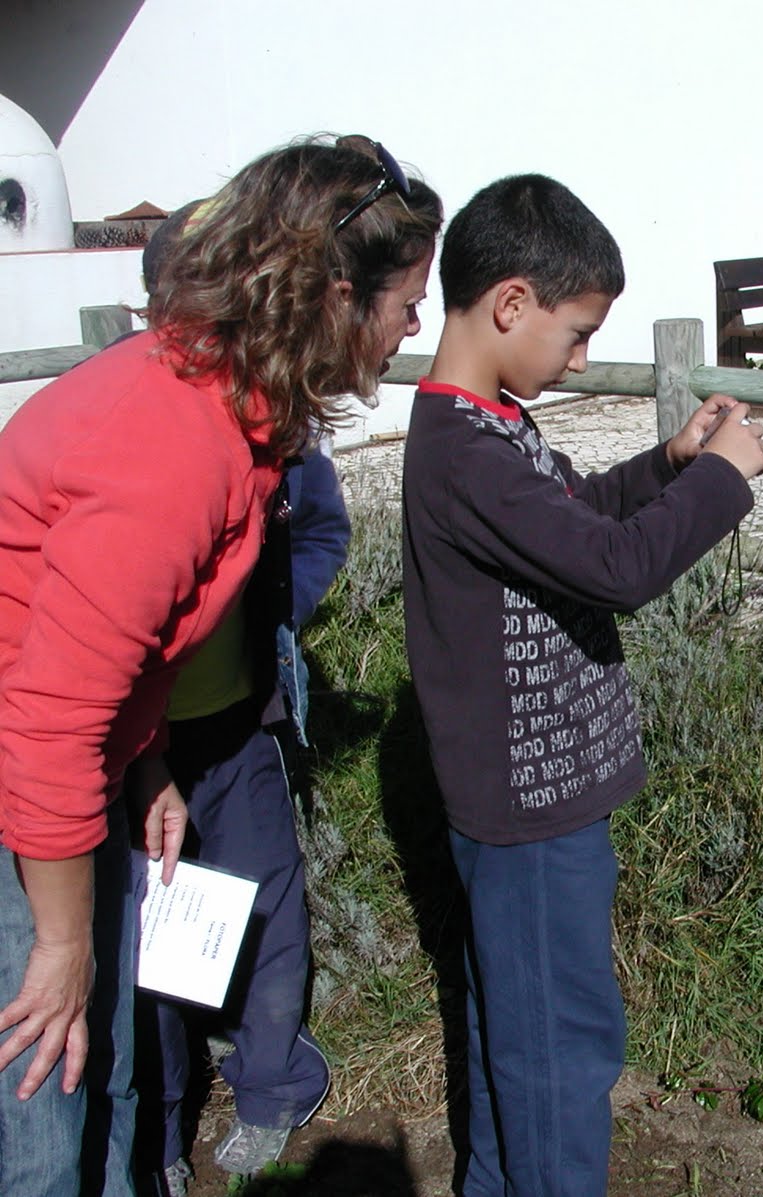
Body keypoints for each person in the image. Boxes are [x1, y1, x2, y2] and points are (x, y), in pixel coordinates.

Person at [0, 134, 442, 1197]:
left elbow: (134, 644)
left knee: (102, 1070)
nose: (416, 325)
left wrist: (146, 758)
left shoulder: (232, 410)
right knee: (44, 1096)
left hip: (86, 770)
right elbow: (49, 720)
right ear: (337, 295)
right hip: (27, 787)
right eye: (407, 300)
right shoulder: (174, 444)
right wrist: (58, 942)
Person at [402, 174, 763, 1196]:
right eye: (576, 334)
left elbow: (575, 518)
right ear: (510, 303)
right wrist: (722, 478)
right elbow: (615, 568)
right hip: (528, 819)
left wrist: (671, 462)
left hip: (544, 804)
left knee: (521, 1037)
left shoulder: (489, 427)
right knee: (556, 1051)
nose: (578, 358)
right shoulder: (466, 454)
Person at [128, 199, 351, 1197]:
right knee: (149, 935)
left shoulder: (277, 425)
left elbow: (322, 528)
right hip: (132, 744)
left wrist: (273, 617)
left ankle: (271, 1088)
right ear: (156, 306)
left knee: (266, 902)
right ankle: (161, 1124)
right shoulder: (132, 425)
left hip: (239, 723)